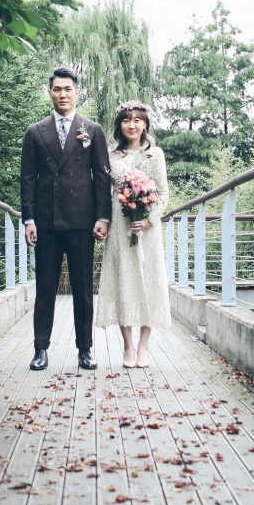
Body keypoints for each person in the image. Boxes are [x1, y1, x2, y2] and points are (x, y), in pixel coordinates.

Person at [20, 68, 112, 371]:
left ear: (76, 92)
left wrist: (103, 217)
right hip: (46, 221)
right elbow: (28, 179)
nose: (62, 94)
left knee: (83, 288)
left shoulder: (92, 130)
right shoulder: (35, 132)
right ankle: (40, 349)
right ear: (50, 93)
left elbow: (101, 177)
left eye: (68, 89)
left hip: (82, 220)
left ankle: (85, 349)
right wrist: (28, 219)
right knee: (45, 287)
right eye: (57, 89)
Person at [96, 101, 170, 368]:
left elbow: (163, 193)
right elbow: (104, 192)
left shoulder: (156, 154)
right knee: (123, 281)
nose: (132, 125)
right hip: (119, 225)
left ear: (145, 124)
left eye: (137, 120)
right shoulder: (111, 155)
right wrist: (104, 221)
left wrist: (149, 220)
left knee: (150, 281)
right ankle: (127, 346)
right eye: (127, 120)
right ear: (119, 125)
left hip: (147, 229)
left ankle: (144, 346)